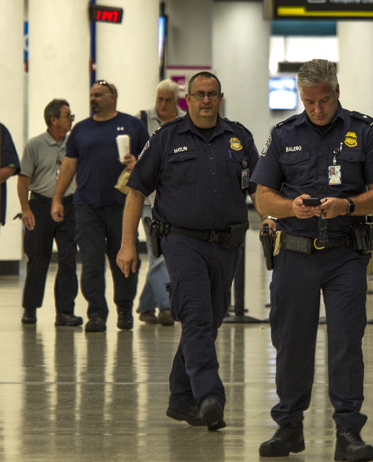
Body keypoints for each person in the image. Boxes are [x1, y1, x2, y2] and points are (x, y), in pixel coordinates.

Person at [252, 59, 373, 461]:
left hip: (345, 255)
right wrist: (289, 207)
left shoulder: (363, 130)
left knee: (346, 342)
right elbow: (262, 197)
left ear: (337, 91)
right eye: (309, 102)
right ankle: (289, 426)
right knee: (291, 342)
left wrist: (347, 205)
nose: (317, 109)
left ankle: (348, 431)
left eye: (324, 100)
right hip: (294, 254)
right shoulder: (283, 134)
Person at [117, 71, 258, 432]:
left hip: (226, 244)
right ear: (188, 99)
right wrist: (128, 243)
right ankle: (209, 396)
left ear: (220, 98)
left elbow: (260, 188)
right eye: (199, 94)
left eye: (212, 94)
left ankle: (180, 398)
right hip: (181, 242)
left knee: (210, 320)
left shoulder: (239, 138)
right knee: (195, 316)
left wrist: (274, 218)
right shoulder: (166, 138)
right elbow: (136, 191)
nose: (206, 100)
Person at [52, 79, 148, 333]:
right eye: (92, 94)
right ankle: (96, 314)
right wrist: (57, 198)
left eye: (98, 94)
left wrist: (137, 163)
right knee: (91, 263)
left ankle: (124, 309)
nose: (93, 98)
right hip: (86, 206)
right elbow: (69, 166)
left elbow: (151, 161)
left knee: (125, 259)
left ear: (112, 97)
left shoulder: (133, 125)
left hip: (122, 206)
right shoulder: (80, 130)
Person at [16, 100, 83, 326]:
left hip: (68, 206)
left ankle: (65, 311)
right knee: (38, 258)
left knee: (68, 259)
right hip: (40, 206)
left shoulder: (74, 145)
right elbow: (23, 180)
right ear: (53, 120)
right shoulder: (35, 145)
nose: (71, 119)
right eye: (67, 115)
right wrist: (26, 209)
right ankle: (30, 309)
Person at [135, 79, 186, 326]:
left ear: (176, 101)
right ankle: (166, 307)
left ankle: (145, 306)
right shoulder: (142, 120)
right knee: (157, 253)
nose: (162, 105)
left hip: (176, 199)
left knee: (165, 253)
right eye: (159, 99)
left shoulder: (186, 122)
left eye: (167, 100)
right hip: (149, 199)